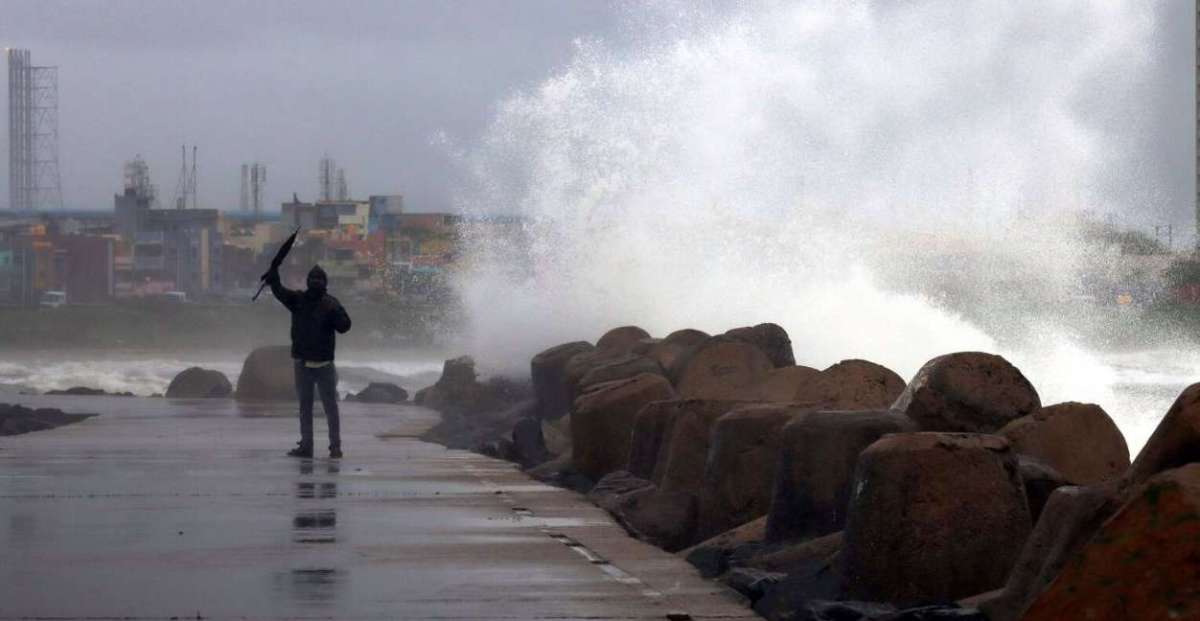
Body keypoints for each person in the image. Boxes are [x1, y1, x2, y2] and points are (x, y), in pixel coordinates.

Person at [267, 264, 352, 458]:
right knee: (330, 408)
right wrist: (274, 279)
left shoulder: (299, 300)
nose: (314, 283)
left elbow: (279, 292)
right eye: (314, 280)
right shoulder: (328, 302)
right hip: (319, 365)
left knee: (306, 409)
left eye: (316, 280)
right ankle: (335, 447)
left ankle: (307, 446)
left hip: (305, 364)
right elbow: (345, 326)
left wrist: (273, 278)